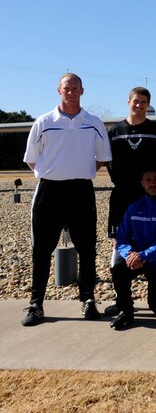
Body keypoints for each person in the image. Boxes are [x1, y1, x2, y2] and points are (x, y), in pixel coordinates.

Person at [22, 73, 112, 326]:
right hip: (49, 191)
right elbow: (31, 158)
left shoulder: (93, 122)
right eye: (66, 88)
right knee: (41, 250)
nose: (70, 92)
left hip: (81, 191)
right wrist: (51, 173)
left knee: (87, 249)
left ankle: (88, 299)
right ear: (58, 90)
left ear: (82, 91)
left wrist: (78, 172)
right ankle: (36, 304)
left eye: (75, 88)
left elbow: (102, 158)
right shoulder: (43, 122)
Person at [105, 86, 156, 315]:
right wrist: (123, 183)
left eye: (143, 102)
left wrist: (151, 186)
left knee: (153, 238)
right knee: (118, 242)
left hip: (149, 195)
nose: (139, 105)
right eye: (136, 101)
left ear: (148, 105)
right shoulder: (115, 131)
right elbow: (109, 162)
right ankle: (121, 299)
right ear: (128, 101)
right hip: (122, 196)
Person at [110, 169, 156, 330]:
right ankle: (125, 311)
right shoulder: (133, 208)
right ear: (142, 183)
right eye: (148, 180)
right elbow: (121, 238)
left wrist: (143, 255)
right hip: (137, 259)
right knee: (119, 268)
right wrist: (129, 255)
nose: (152, 183)